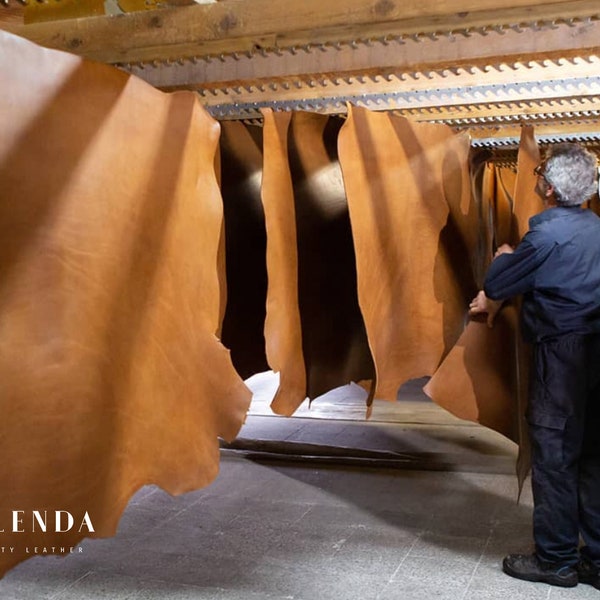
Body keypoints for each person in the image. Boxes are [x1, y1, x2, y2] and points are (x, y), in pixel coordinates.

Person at [469, 142, 600, 589]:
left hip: (562, 359)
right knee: (593, 458)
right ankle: (597, 561)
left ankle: (557, 560)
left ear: (548, 188)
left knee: (556, 459)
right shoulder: (597, 230)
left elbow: (498, 282)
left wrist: (506, 255)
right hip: (597, 357)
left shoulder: (545, 236)